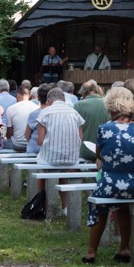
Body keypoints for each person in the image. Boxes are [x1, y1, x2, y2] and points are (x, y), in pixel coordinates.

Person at [82, 87, 134, 264]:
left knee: (100, 204)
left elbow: (99, 155)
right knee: (123, 207)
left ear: (111, 108)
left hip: (111, 184)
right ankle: (124, 248)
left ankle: (91, 251)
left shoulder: (105, 129)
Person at [36, 87, 85, 216]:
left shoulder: (45, 112)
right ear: (63, 99)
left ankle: (39, 203)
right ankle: (65, 206)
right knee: (63, 172)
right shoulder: (75, 113)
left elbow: (40, 140)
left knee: (41, 169)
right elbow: (80, 138)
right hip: (71, 159)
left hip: (50, 159)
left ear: (48, 100)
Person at [74, 80, 109, 162]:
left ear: (83, 92)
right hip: (105, 149)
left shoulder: (78, 105)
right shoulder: (109, 104)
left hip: (85, 151)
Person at [3, 85, 37, 151]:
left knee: (3, 143)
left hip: (16, 144)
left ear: (18, 95)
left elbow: (9, 133)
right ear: (29, 96)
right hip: (31, 143)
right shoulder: (36, 107)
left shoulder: (11, 109)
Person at [25, 84, 52, 154]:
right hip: (49, 150)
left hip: (34, 149)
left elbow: (26, 135)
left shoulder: (34, 114)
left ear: (38, 98)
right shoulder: (54, 114)